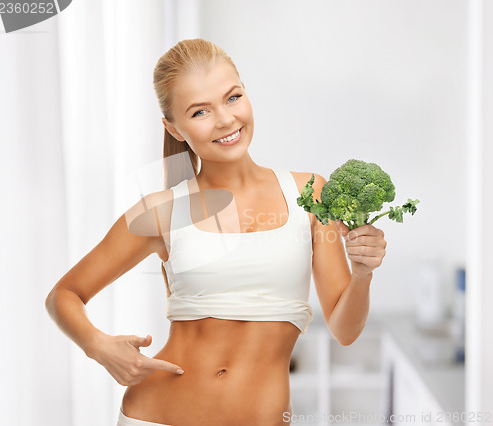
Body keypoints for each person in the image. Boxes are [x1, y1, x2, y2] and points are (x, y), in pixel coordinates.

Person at [45, 38, 387, 426]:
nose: (225, 120)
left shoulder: (310, 195)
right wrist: (99, 346)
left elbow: (344, 330)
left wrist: (362, 274)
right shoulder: (162, 211)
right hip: (155, 417)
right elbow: (63, 295)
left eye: (233, 97)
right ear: (172, 128)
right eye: (200, 111)